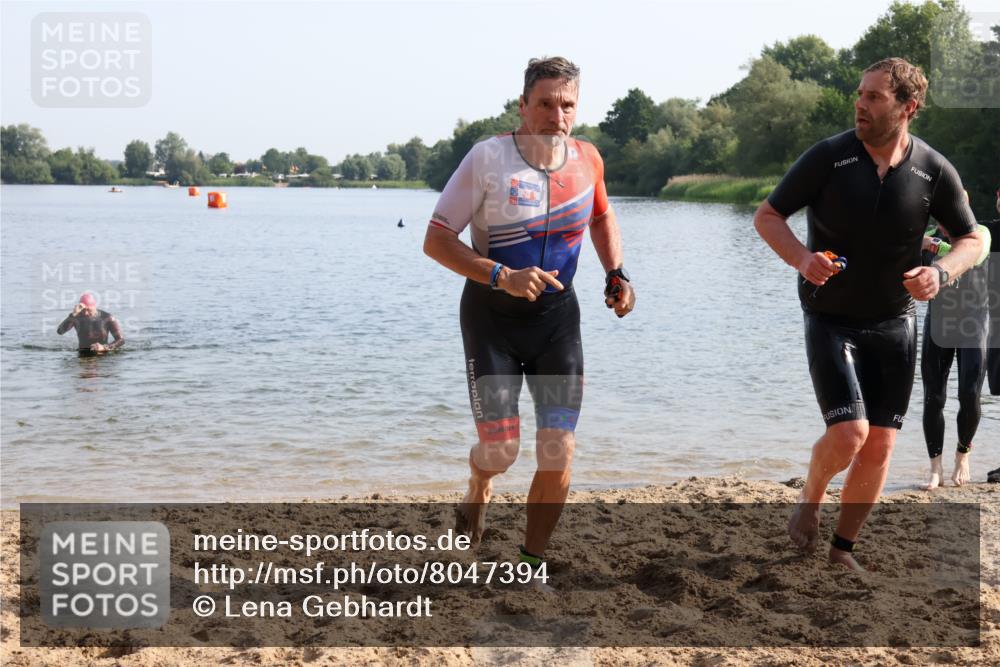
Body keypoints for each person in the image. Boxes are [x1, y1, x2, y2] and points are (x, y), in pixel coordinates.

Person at [753, 58, 983, 571]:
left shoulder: (932, 168)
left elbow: (970, 238)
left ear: (908, 107)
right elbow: (767, 216)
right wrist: (802, 258)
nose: (860, 103)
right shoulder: (828, 158)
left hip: (895, 322)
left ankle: (842, 551)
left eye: (875, 97)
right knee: (849, 434)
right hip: (830, 316)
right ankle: (811, 495)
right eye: (860, 93)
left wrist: (941, 273)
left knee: (879, 445)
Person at [423, 57, 635, 574]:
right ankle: (478, 484)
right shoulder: (487, 159)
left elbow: (602, 217)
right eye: (544, 103)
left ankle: (529, 560)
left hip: (557, 323)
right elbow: (436, 240)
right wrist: (501, 275)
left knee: (559, 448)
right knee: (502, 451)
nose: (556, 115)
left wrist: (617, 274)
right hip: (492, 320)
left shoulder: (588, 159)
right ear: (523, 105)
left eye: (567, 105)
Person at [920, 192, 992, 490]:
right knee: (934, 397)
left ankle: (963, 454)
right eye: (941, 209)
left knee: (969, 394)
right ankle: (935, 467)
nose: (946, 214)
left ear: (964, 207)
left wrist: (933, 245)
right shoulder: (924, 237)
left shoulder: (981, 233)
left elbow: (976, 255)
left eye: (953, 207)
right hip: (938, 321)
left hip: (975, 322)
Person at [57, 293, 125, 355]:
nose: (86, 313)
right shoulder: (76, 318)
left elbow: (121, 340)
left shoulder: (107, 317)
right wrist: (73, 314)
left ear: (94, 307)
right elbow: (60, 331)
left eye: (88, 310)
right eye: (83, 310)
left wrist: (105, 347)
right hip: (83, 354)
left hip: (103, 355)